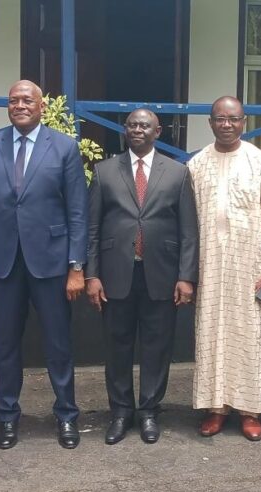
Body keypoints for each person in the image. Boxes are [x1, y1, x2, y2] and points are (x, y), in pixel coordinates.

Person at [0, 80, 88, 450]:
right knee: (5, 346)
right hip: (3, 265)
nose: (19, 105)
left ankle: (66, 415)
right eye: (13, 100)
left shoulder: (65, 147)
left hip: (51, 264)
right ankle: (7, 417)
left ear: (40, 106)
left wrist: (76, 266)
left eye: (27, 100)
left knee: (58, 344)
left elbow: (77, 211)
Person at [86, 109, 198, 445]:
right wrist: (92, 275)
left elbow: (189, 230)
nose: (138, 129)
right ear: (125, 129)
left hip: (161, 273)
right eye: (132, 124)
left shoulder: (178, 173)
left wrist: (186, 276)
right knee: (117, 346)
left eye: (145, 125)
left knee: (157, 346)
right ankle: (121, 412)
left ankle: (149, 411)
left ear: (158, 131)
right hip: (115, 273)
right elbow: (92, 228)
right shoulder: (104, 171)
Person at [189, 96, 261, 442]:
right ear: (211, 122)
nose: (227, 124)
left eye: (234, 119)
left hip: (252, 266)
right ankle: (217, 408)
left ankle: (250, 410)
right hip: (210, 264)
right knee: (213, 334)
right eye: (220, 119)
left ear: (243, 122)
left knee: (252, 336)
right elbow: (189, 222)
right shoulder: (198, 164)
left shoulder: (259, 161)